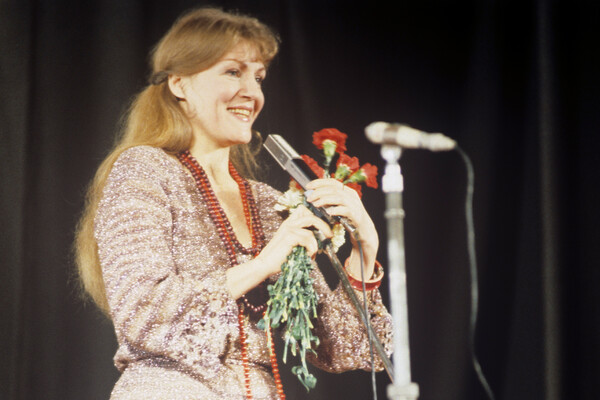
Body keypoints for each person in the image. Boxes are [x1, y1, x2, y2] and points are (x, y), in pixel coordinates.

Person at [75, 7, 392, 400]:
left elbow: (344, 349)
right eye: (232, 72)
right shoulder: (145, 170)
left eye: (258, 78)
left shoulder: (268, 205)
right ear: (179, 83)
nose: (252, 93)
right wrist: (262, 264)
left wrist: (364, 250)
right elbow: (143, 314)